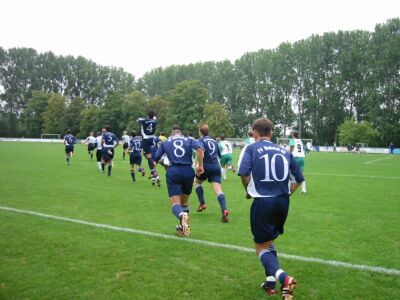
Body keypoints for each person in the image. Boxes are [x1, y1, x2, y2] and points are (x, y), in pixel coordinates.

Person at [238, 118, 304, 298]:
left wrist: (248, 191)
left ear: (254, 132)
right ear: (271, 132)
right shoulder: (284, 150)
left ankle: (284, 278)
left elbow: (243, 173)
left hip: (263, 202)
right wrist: (287, 193)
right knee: (270, 241)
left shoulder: (252, 148)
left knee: (260, 247)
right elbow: (299, 179)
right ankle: (270, 282)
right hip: (282, 202)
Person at [154, 125, 204, 237]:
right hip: (188, 171)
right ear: (181, 133)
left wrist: (162, 164)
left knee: (175, 204)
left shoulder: (166, 142)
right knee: (184, 202)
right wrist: (200, 166)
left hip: (174, 171)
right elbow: (200, 149)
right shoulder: (189, 139)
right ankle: (183, 228)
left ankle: (181, 216)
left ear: (172, 133)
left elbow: (156, 157)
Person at [195, 124, 229, 222]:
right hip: (215, 166)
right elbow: (219, 154)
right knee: (218, 190)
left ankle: (202, 203)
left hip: (205, 166)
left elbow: (200, 151)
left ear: (200, 132)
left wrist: (199, 165)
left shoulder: (200, 141)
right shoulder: (214, 141)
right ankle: (224, 210)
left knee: (197, 182)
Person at [137, 110, 158, 181]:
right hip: (151, 139)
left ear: (147, 115)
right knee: (147, 156)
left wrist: (144, 119)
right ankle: (153, 170)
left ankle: (153, 171)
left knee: (147, 156)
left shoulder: (144, 121)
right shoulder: (155, 121)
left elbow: (138, 120)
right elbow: (154, 118)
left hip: (145, 140)